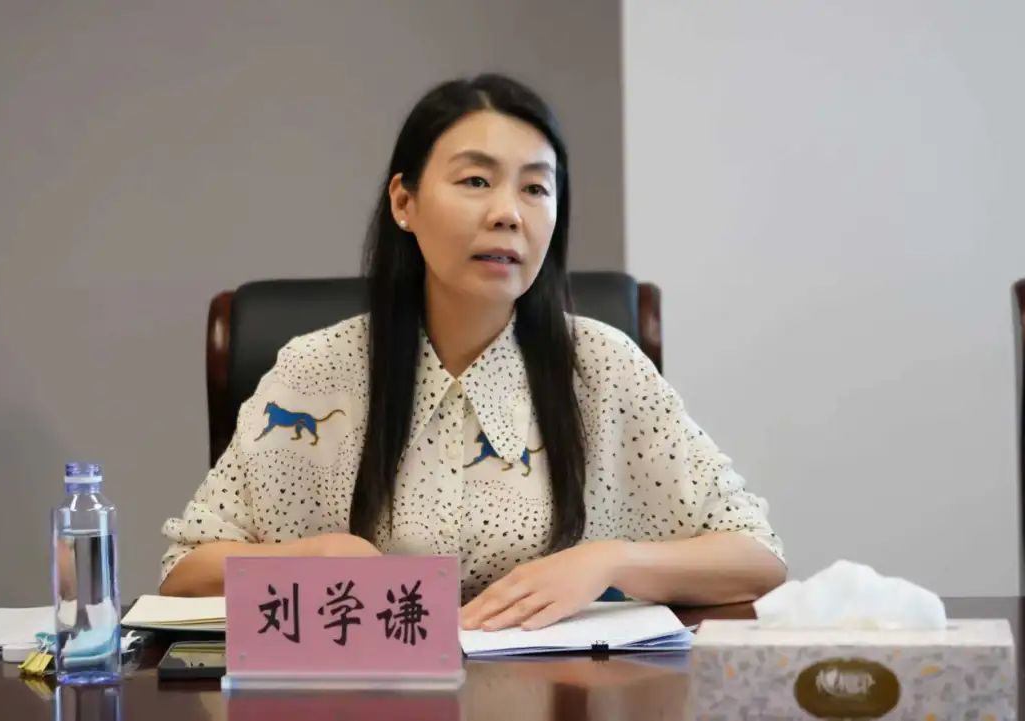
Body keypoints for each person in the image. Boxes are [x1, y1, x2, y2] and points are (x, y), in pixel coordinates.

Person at [159, 74, 786, 632]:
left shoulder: (601, 365)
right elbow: (185, 571)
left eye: (536, 188)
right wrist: (313, 557)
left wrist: (608, 561)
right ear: (404, 202)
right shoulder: (316, 368)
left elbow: (757, 556)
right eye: (476, 181)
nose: (508, 213)